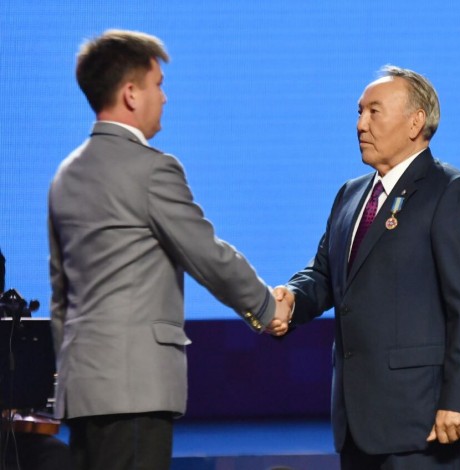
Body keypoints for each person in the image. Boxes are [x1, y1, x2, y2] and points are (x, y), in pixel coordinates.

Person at [47, 29, 290, 470]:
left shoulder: (65, 175)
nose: (164, 97)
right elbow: (206, 255)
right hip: (135, 390)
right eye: (157, 85)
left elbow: (61, 295)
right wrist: (266, 307)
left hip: (82, 391)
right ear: (130, 94)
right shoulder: (150, 169)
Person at [275, 65, 460, 469]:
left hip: (423, 423)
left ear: (415, 122)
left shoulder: (451, 193)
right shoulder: (351, 194)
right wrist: (291, 298)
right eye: (359, 112)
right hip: (357, 421)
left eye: (374, 111)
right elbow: (324, 274)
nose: (361, 124)